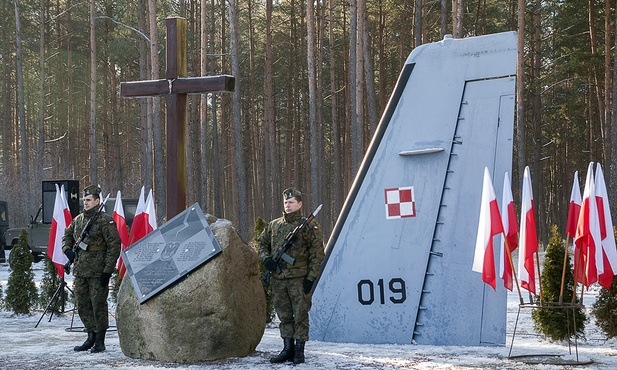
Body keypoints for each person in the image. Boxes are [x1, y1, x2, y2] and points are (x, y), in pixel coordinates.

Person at [258, 187, 324, 364]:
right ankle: (287, 349)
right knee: (284, 316)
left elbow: (317, 254)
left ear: (299, 204)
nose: (287, 205)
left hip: (299, 279)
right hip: (279, 280)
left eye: (291, 202)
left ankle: (299, 351)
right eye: (285, 202)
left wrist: (311, 278)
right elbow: (262, 244)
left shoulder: (309, 226)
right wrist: (266, 260)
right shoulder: (274, 225)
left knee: (300, 315)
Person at [63, 185, 121, 353]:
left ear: (97, 201)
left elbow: (114, 246)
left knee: (98, 305)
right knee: (83, 305)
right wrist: (67, 250)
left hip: (98, 271)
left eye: (89, 200)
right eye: (84, 200)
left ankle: (100, 341)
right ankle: (90, 336)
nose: (85, 203)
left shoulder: (105, 220)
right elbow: (66, 235)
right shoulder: (78, 219)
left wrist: (107, 270)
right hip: (81, 270)